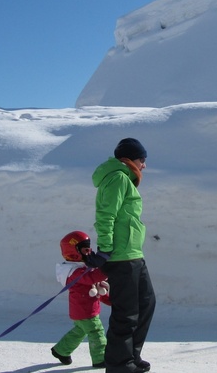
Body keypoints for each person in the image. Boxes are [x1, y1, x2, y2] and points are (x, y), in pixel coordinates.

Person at [89, 137, 155, 373]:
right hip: (120, 256)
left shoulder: (125, 179)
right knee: (126, 313)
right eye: (142, 159)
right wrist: (105, 248)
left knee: (146, 304)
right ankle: (119, 365)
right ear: (128, 159)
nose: (144, 165)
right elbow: (105, 215)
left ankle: (130, 356)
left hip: (133, 253)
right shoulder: (117, 178)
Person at [52, 231, 111, 369]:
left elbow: (95, 286)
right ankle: (100, 359)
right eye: (86, 249)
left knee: (79, 331)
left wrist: (110, 300)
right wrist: (107, 268)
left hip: (84, 310)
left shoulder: (83, 268)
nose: (89, 252)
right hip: (84, 310)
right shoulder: (73, 272)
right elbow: (91, 279)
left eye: (90, 248)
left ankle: (61, 350)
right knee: (96, 331)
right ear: (74, 252)